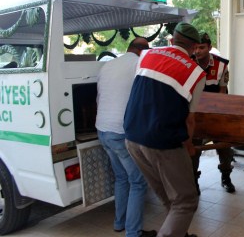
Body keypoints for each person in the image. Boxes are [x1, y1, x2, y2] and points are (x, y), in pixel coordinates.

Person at [124, 22, 206, 237]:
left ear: (172, 38)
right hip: (162, 142)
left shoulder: (146, 55)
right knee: (186, 200)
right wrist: (188, 146)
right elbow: (190, 119)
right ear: (195, 47)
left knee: (168, 195)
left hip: (132, 137)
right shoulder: (196, 73)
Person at [95, 37, 156, 237]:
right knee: (138, 182)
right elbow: (146, 100)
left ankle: (119, 223)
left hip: (102, 130)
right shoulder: (141, 64)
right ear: (143, 51)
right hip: (121, 133)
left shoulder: (108, 65)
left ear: (129, 48)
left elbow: (99, 97)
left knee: (122, 178)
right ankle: (133, 232)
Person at [191, 32, 235, 194]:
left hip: (218, 112)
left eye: (202, 48)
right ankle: (193, 180)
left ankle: (226, 176)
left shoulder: (221, 65)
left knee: (224, 147)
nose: (198, 51)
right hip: (195, 114)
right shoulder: (188, 63)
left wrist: (215, 115)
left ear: (209, 47)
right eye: (195, 48)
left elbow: (222, 93)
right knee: (194, 149)